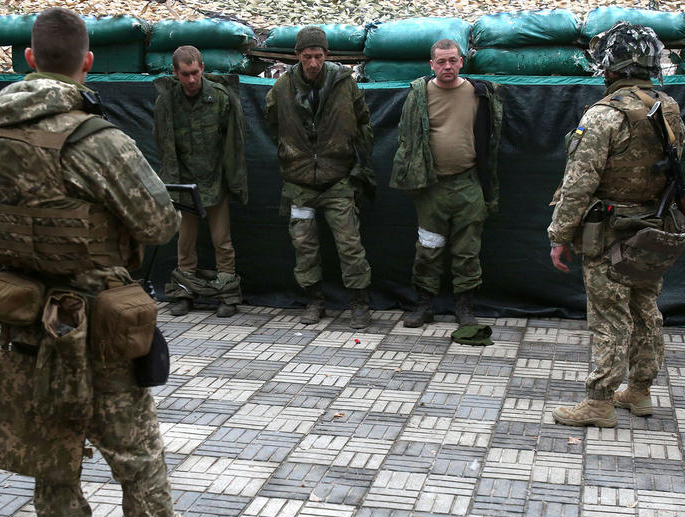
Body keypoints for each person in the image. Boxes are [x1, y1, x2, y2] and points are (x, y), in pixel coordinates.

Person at [0, 8, 224, 517]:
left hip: (25, 314)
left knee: (50, 442)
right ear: (87, 62)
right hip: (95, 319)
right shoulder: (95, 138)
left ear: (28, 60)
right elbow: (160, 219)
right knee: (133, 444)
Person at [547, 22, 685, 428]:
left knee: (609, 317)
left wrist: (558, 234)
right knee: (645, 308)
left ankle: (599, 402)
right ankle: (639, 391)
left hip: (610, 231)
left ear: (611, 66)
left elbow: (579, 183)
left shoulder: (604, 115)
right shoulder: (667, 108)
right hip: (654, 228)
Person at [264, 26, 375, 329]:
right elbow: (272, 123)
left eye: (318, 56)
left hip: (338, 179)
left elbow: (363, 122)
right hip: (298, 183)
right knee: (304, 247)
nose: (312, 63)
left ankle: (359, 303)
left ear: (327, 55)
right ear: (297, 56)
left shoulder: (344, 84)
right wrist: (292, 152)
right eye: (307, 56)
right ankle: (315, 301)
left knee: (350, 244)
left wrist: (358, 166)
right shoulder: (282, 88)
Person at [390, 38, 504, 329]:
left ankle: (464, 308)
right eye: (441, 61)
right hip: (432, 186)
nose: (447, 66)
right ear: (432, 65)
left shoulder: (480, 94)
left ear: (462, 61)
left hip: (468, 184)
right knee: (428, 248)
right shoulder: (419, 95)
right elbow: (406, 139)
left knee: (467, 251)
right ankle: (424, 305)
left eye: (452, 60)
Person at [153, 45, 248, 318]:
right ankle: (183, 293)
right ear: (176, 73)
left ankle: (227, 293)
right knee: (185, 242)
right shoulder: (167, 102)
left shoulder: (220, 98)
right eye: (185, 74)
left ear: (203, 68)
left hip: (215, 180)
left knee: (223, 241)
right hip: (184, 184)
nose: (192, 80)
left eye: (195, 73)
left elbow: (234, 144)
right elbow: (163, 145)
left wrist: (233, 180)